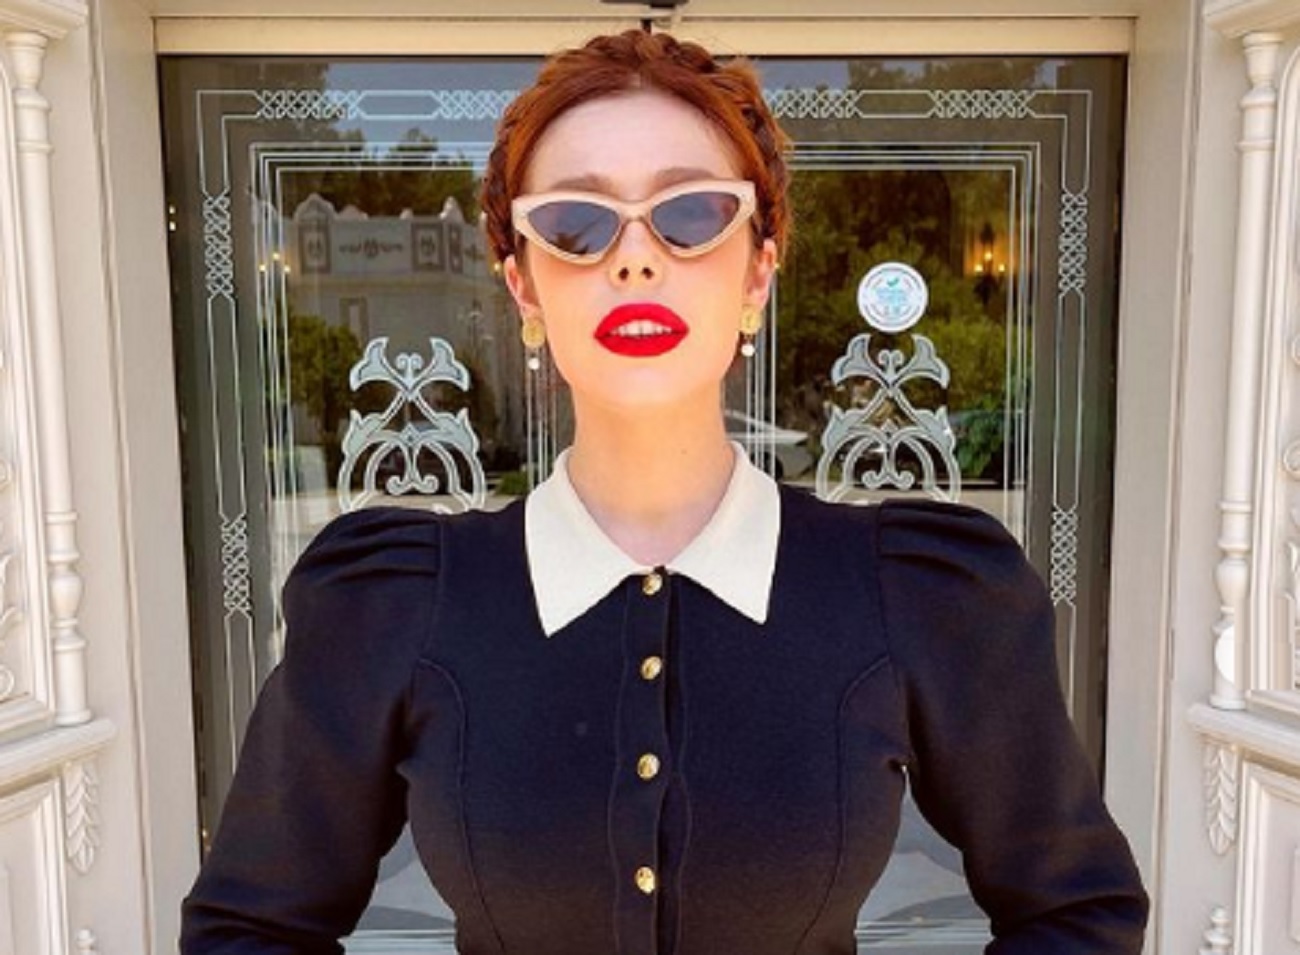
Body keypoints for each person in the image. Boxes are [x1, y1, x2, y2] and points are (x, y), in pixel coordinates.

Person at [180, 29, 1149, 955]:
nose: (634, 257)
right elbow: (251, 927)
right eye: (575, 223)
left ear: (758, 270)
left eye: (691, 214)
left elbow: (1075, 908)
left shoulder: (913, 589)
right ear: (523, 286)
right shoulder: (395, 602)